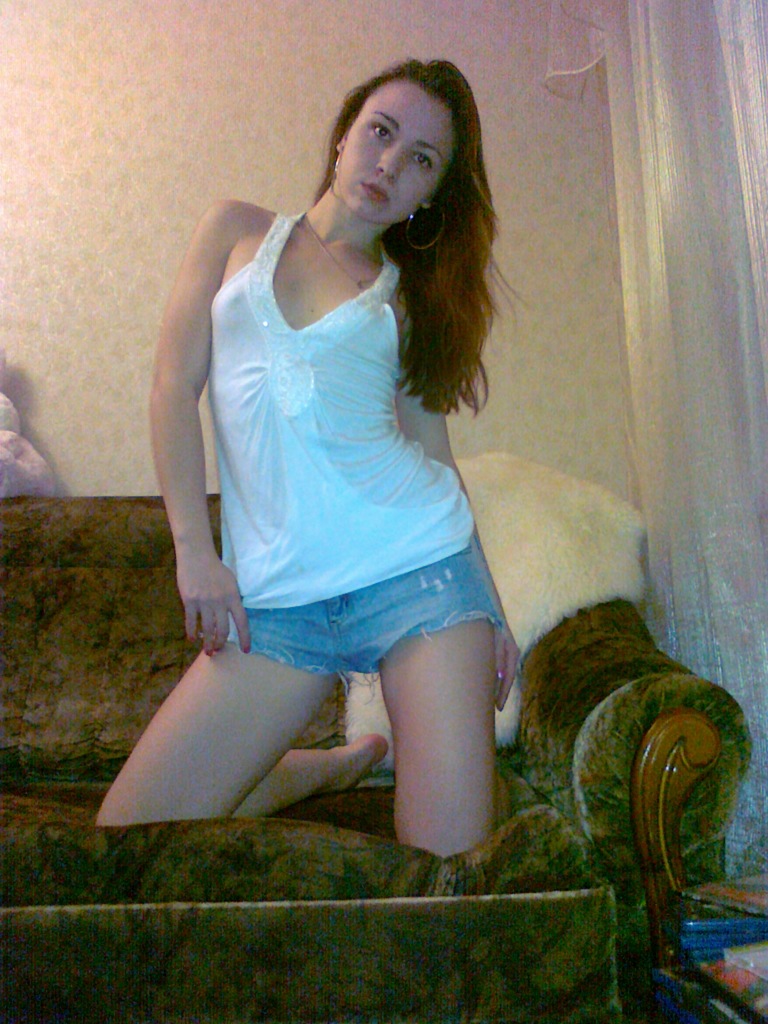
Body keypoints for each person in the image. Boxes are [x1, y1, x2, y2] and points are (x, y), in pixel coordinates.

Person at [97, 58, 519, 858]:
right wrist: (194, 552)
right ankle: (318, 771)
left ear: (430, 195)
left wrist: (492, 610)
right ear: (342, 137)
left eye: (421, 160)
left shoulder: (407, 300)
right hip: (277, 604)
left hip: (418, 575)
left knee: (447, 862)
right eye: (381, 132)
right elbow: (171, 386)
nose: (389, 163)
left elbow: (433, 454)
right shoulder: (235, 230)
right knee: (124, 840)